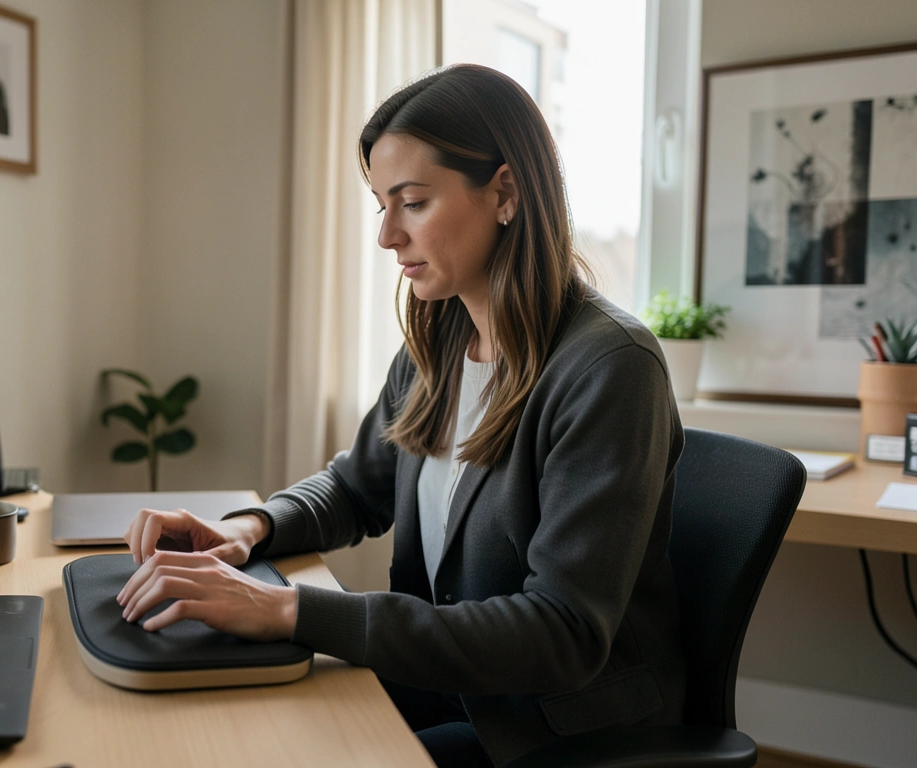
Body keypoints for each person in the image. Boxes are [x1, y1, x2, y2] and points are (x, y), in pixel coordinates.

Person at [115, 64, 685, 768]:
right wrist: (248, 529)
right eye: (381, 206)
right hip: (448, 682)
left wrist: (289, 609)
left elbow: (562, 631)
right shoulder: (438, 343)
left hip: (551, 723)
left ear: (505, 192)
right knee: (242, 725)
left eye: (412, 203)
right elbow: (356, 486)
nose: (387, 236)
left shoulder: (610, 367)